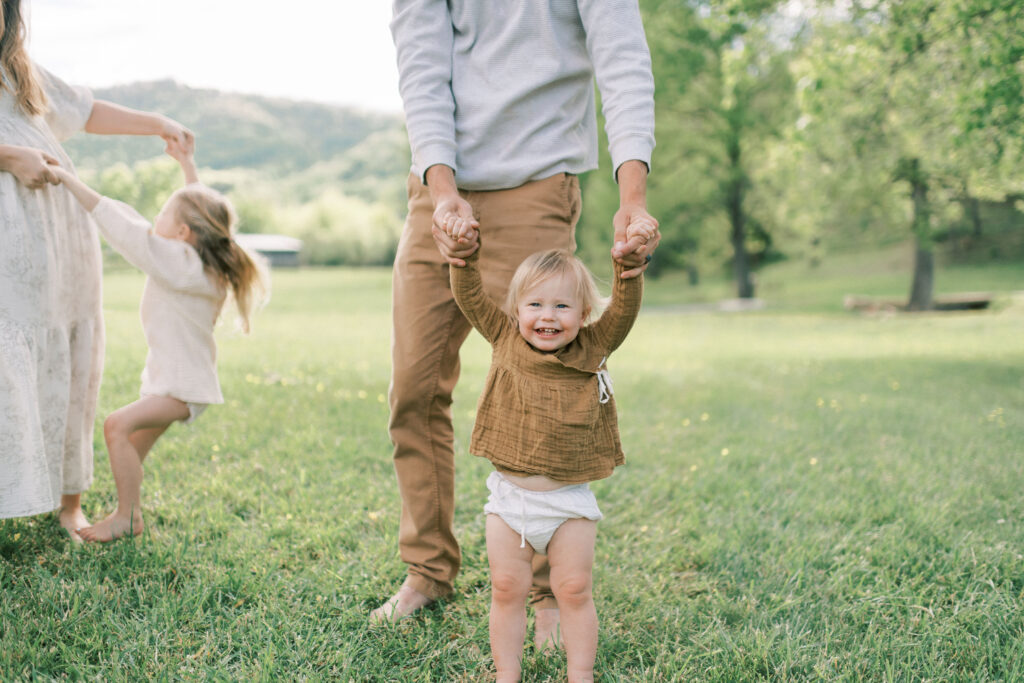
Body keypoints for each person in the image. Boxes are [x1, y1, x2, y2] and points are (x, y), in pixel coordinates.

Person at [376, 0, 661, 647]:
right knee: (413, 389)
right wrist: (442, 192)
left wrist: (633, 198)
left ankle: (547, 591)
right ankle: (428, 570)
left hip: (537, 183)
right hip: (439, 190)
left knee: (550, 388)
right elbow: (421, 66)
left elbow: (622, 59)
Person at [0, 0, 194, 540]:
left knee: (71, 363)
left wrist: (157, 122)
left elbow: (83, 111)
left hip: (60, 243)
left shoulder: (18, 70)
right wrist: (9, 157)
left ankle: (69, 504)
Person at [448, 218, 651, 682]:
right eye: (535, 304)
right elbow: (470, 296)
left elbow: (623, 311)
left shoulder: (595, 345)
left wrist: (629, 273)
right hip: (509, 501)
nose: (547, 316)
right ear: (517, 310)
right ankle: (507, 674)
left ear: (582, 314)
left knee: (574, 588)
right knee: (506, 587)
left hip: (567, 504)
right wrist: (465, 257)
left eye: (562, 305)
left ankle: (581, 674)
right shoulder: (504, 338)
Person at [50, 137, 268, 542]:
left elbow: (124, 228)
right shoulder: (199, 261)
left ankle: (127, 517)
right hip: (180, 384)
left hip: (180, 386)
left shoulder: (178, 263)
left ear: (183, 232)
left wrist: (68, 180)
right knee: (131, 441)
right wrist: (188, 165)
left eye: (164, 213)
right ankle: (125, 507)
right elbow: (200, 213)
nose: (156, 219)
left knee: (116, 426)